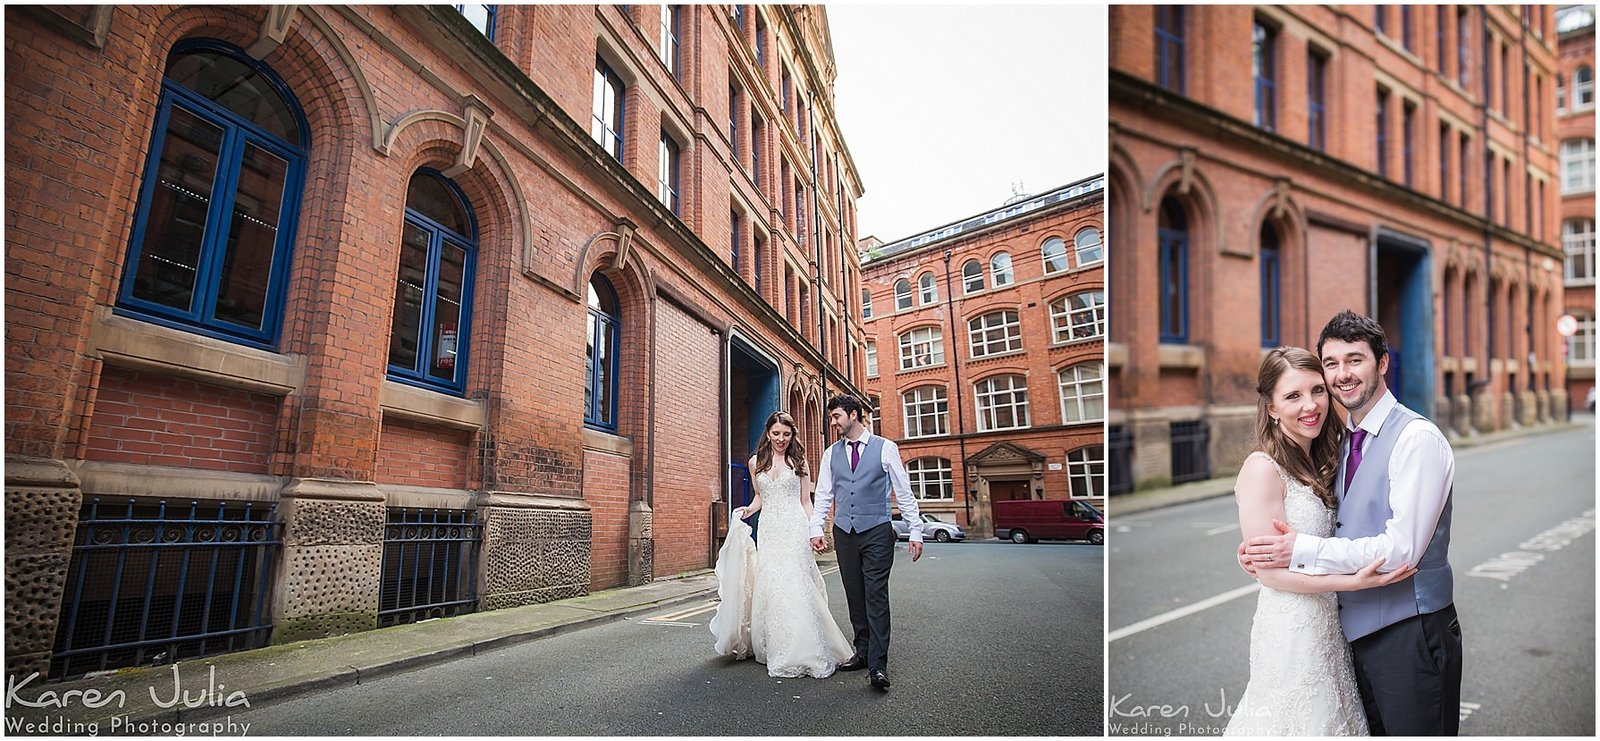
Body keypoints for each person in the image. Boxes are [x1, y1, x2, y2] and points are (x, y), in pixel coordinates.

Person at [1242, 311, 1462, 735]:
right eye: (1331, 363)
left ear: (1382, 363)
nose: (1342, 374)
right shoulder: (1342, 443)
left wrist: (1299, 550)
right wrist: (1256, 554)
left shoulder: (1417, 439)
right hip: (1348, 640)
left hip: (1410, 633)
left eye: (1355, 359)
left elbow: (1402, 550)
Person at [1224, 347, 1416, 735]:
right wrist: (1356, 582)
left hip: (1331, 626)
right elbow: (1273, 576)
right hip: (1292, 627)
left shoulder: (1327, 457)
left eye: (1317, 390)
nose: (1310, 405)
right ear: (1272, 408)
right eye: (1293, 396)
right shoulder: (1263, 467)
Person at [709, 410, 853, 678]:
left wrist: (815, 530)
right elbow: (760, 498)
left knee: (795, 582)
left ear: (792, 435)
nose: (781, 439)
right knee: (772, 584)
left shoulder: (800, 462)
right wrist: (748, 511)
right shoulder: (756, 463)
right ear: (768, 433)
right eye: (776, 433)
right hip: (770, 529)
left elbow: (806, 502)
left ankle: (803, 647)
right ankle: (777, 642)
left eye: (786, 434)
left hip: (794, 527)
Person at [807, 394, 922, 691]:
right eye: (831, 418)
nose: (833, 423)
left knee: (876, 595)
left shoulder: (886, 449)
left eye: (837, 417)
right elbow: (823, 494)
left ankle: (877, 664)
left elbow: (903, 491)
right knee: (854, 595)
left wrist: (916, 531)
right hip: (845, 532)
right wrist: (816, 528)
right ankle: (861, 650)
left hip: (877, 532)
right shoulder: (831, 453)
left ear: (854, 415)